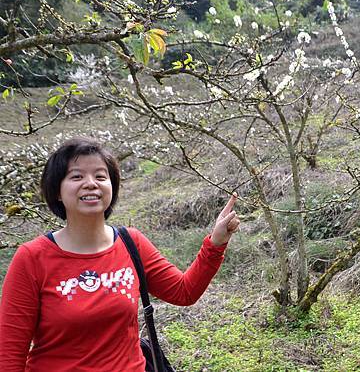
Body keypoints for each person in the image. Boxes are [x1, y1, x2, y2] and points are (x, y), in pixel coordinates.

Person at [0, 137, 240, 371]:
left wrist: (215, 243)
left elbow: (183, 292)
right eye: (77, 176)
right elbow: (9, 355)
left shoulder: (130, 242)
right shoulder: (32, 258)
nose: (91, 183)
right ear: (57, 192)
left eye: (100, 176)